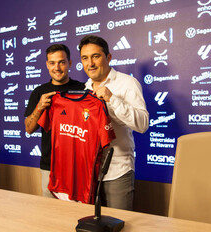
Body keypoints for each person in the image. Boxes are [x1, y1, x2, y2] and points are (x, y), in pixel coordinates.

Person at [79, 35, 149, 210]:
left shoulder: (128, 83)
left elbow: (142, 124)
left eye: (95, 56)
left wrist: (112, 100)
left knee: (119, 223)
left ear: (108, 57)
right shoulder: (85, 88)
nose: (90, 63)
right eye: (85, 58)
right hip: (89, 173)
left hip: (118, 171)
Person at [24, 44, 85, 198]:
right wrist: (39, 108)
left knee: (77, 213)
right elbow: (28, 129)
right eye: (52, 63)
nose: (57, 67)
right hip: (49, 166)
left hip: (77, 166)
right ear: (47, 65)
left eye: (61, 62)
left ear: (70, 63)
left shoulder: (83, 89)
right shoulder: (39, 92)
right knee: (51, 215)